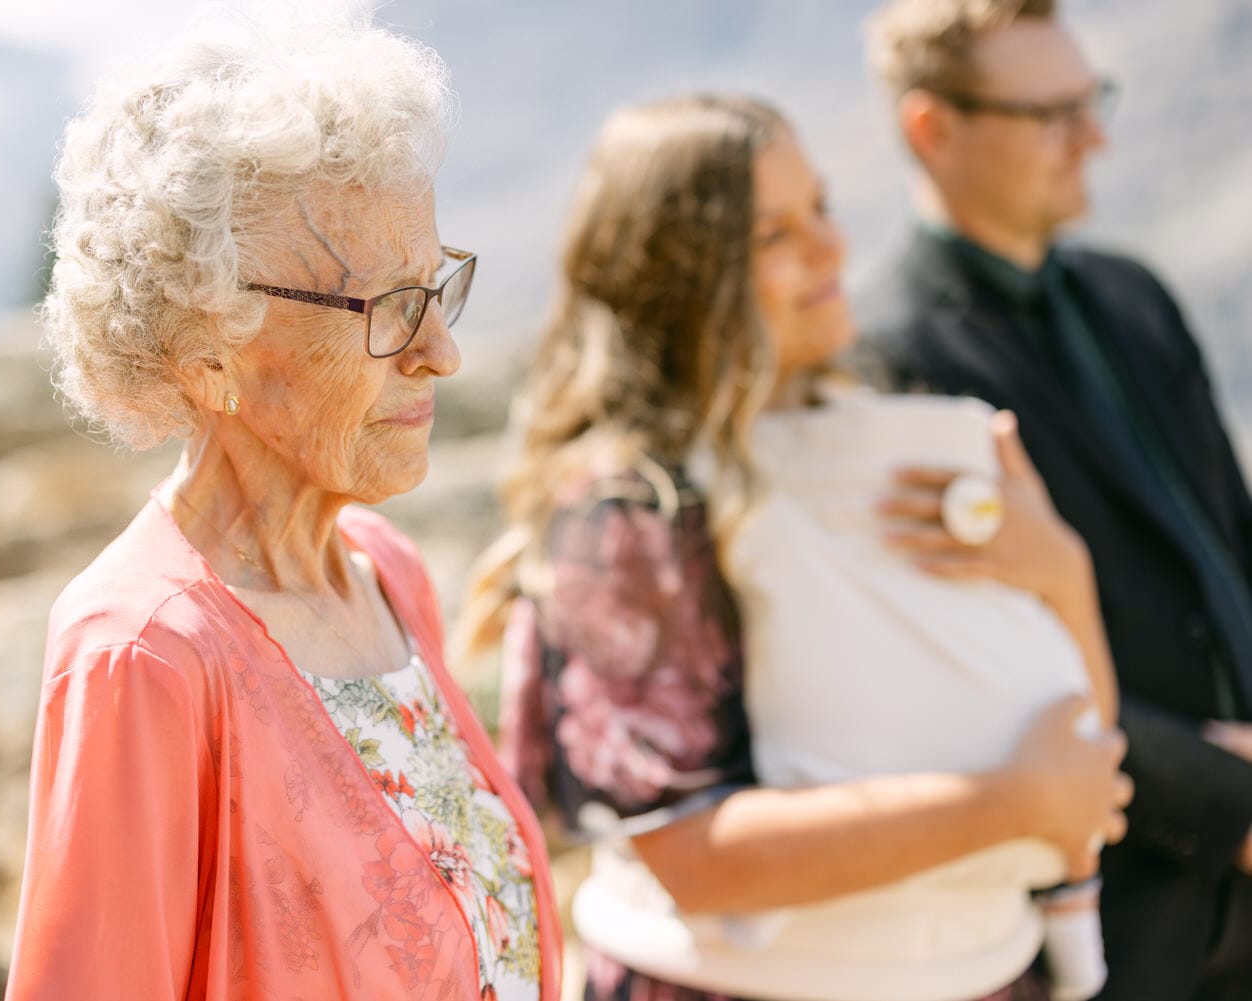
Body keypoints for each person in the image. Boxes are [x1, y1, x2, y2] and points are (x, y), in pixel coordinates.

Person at [461, 94, 1129, 1001]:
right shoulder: (630, 517)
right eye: (773, 234)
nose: (831, 248)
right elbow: (694, 856)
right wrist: (1011, 805)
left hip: (980, 971)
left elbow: (1081, 757)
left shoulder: (885, 443)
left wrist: (1064, 577)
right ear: (684, 278)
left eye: (820, 207)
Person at [4, 13, 559, 1001]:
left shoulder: (387, 571)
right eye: (387, 306)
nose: (443, 350)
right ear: (207, 356)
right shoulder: (141, 651)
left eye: (435, 287)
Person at [856, 2, 1252, 998]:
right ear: (931, 130)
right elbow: (974, 669)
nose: (1097, 137)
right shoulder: (888, 355)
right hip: (1124, 903)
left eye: (1093, 102)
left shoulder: (1134, 290)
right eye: (1053, 114)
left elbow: (1228, 539)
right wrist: (1226, 801)